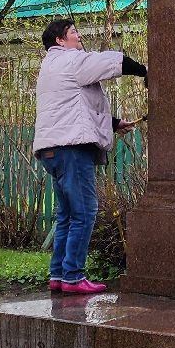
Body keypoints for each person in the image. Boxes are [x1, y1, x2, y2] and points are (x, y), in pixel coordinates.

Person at [33, 18, 146, 294]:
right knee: (84, 212)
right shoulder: (72, 61)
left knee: (68, 215)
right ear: (60, 40)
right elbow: (111, 62)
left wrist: (114, 122)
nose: (79, 36)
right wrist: (145, 70)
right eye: (74, 33)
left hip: (52, 149)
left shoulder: (49, 66)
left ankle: (59, 274)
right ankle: (73, 276)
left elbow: (74, 107)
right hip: (72, 149)